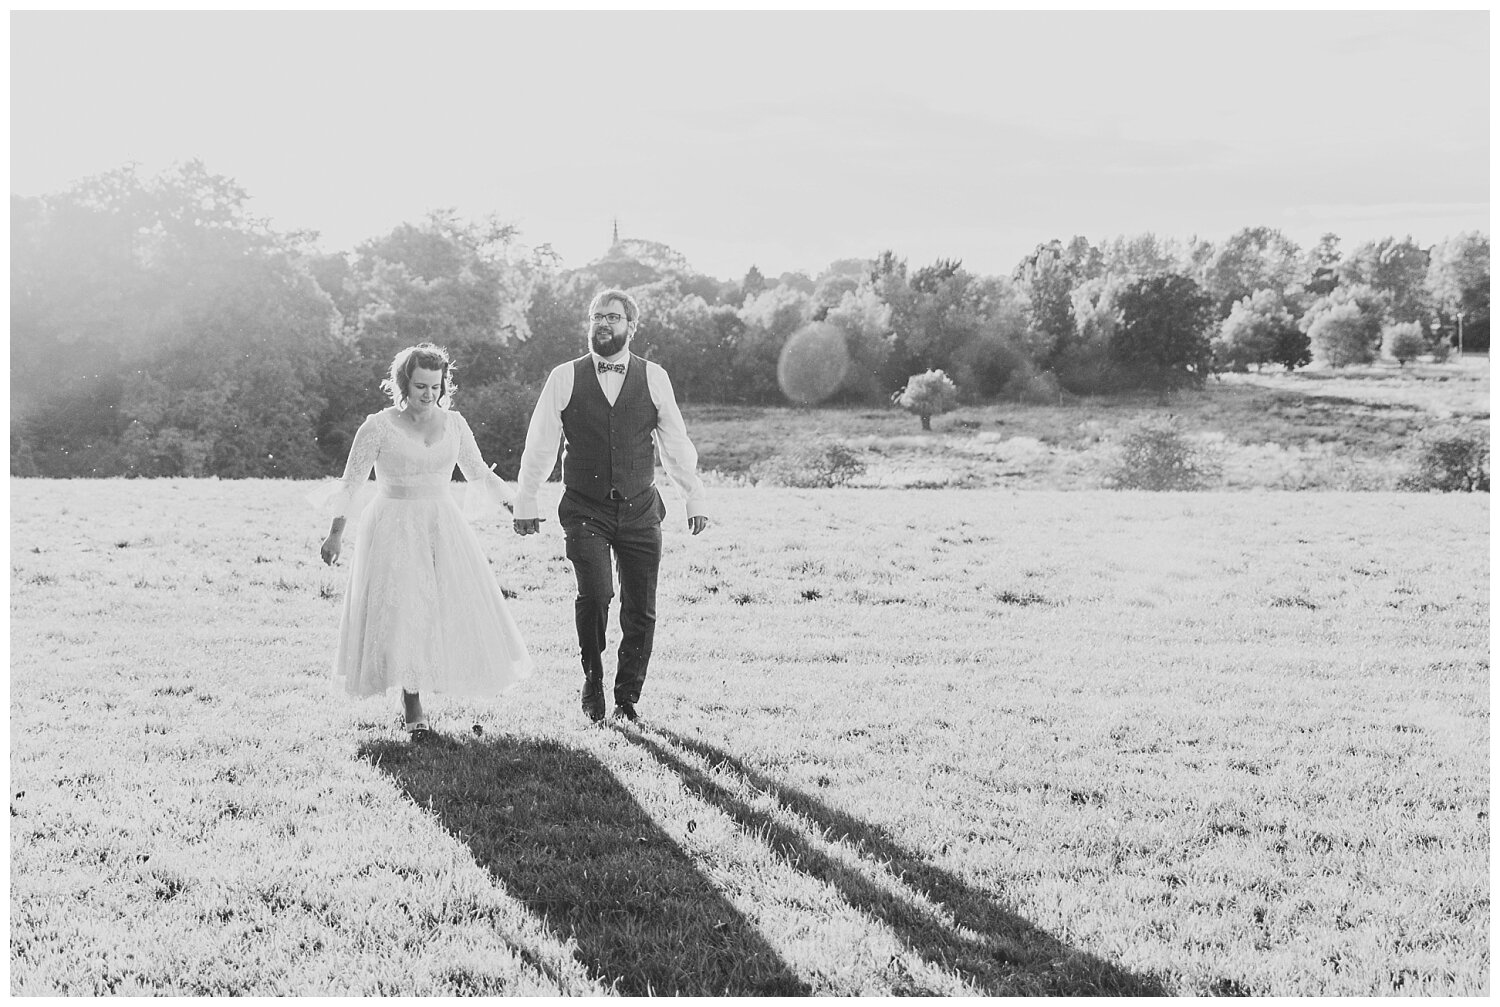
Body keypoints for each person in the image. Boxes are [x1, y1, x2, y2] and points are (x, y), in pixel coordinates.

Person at [513, 289, 708, 723]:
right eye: (596, 316)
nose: (603, 323)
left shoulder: (654, 377)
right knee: (597, 593)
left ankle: (627, 697)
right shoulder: (564, 377)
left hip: (641, 509)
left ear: (631, 327)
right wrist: (527, 498)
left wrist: (692, 495)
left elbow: (675, 443)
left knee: (641, 607)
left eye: (613, 317)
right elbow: (541, 444)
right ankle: (592, 678)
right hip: (585, 508)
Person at [319, 343, 533, 738]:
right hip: (393, 526)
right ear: (403, 383)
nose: (428, 394)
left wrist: (515, 508)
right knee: (404, 609)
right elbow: (351, 483)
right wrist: (335, 535)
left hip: (442, 524)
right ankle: (412, 703)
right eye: (420, 386)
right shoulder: (377, 426)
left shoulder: (454, 424)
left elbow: (479, 474)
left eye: (435, 386)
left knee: (446, 607)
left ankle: (439, 676)